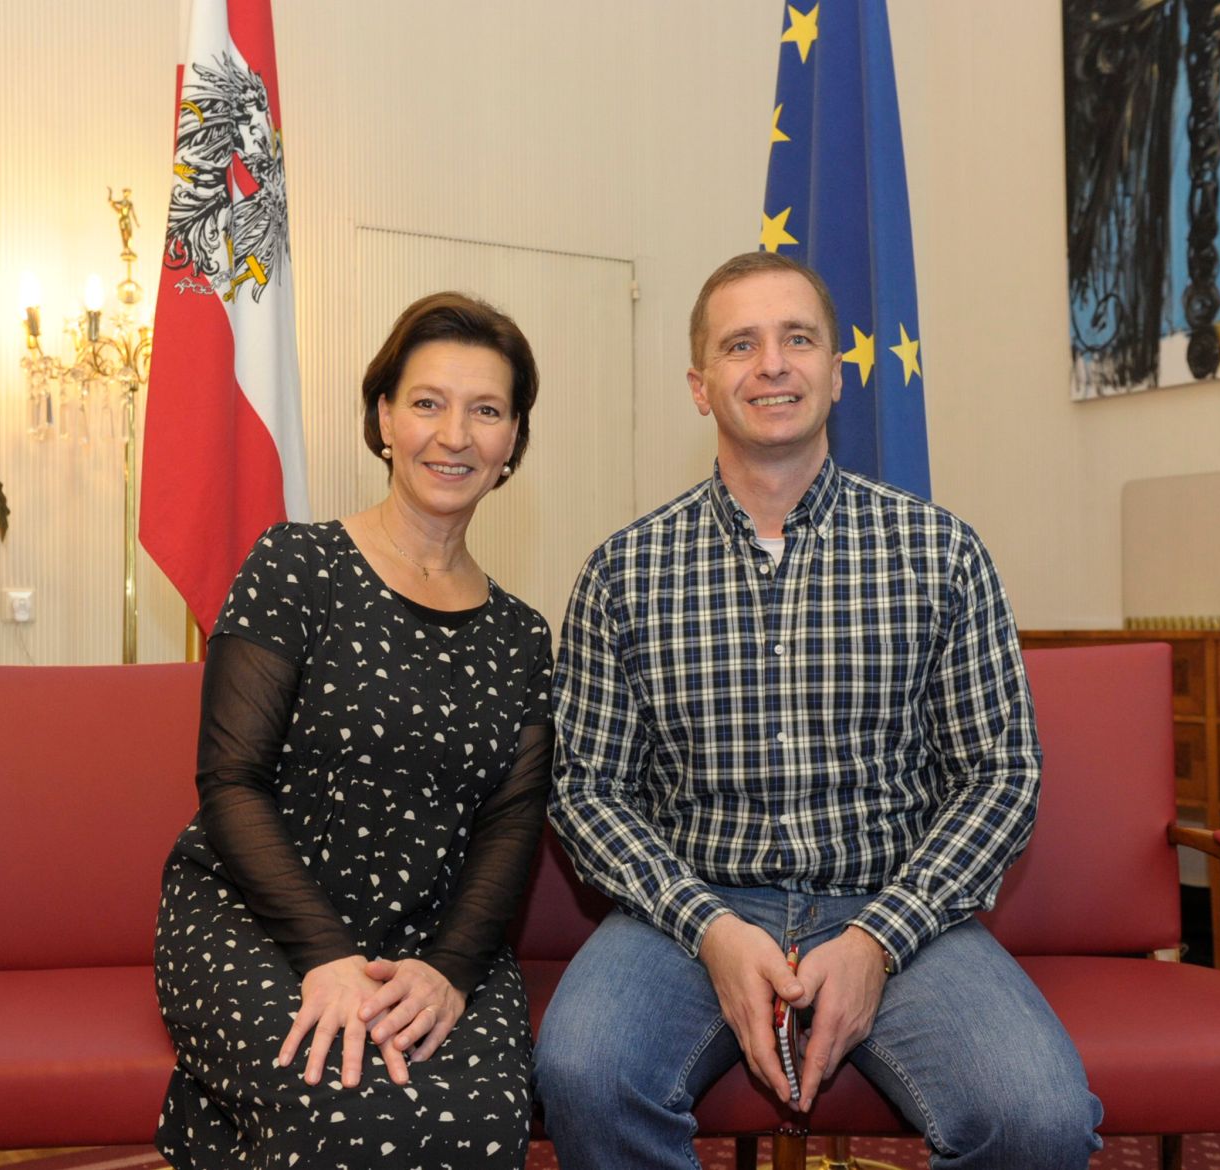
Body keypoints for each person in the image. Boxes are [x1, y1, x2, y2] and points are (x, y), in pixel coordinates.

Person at [534, 252, 1101, 1169]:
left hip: (896, 898)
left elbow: (999, 775)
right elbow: (587, 789)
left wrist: (880, 937)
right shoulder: (622, 572)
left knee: (1037, 1116)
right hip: (691, 905)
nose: (772, 364)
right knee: (584, 1073)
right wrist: (709, 927)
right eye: (740, 345)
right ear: (699, 385)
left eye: (797, 339)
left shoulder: (940, 552)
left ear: (836, 373)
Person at [154, 292, 553, 1170]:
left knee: (482, 1120)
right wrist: (326, 956)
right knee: (340, 1107)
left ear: (514, 441)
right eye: (427, 402)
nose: (454, 435)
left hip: (434, 943)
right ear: (383, 417)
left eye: (486, 411)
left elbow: (511, 823)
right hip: (257, 920)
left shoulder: (524, 636)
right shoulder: (294, 565)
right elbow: (230, 780)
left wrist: (447, 969)